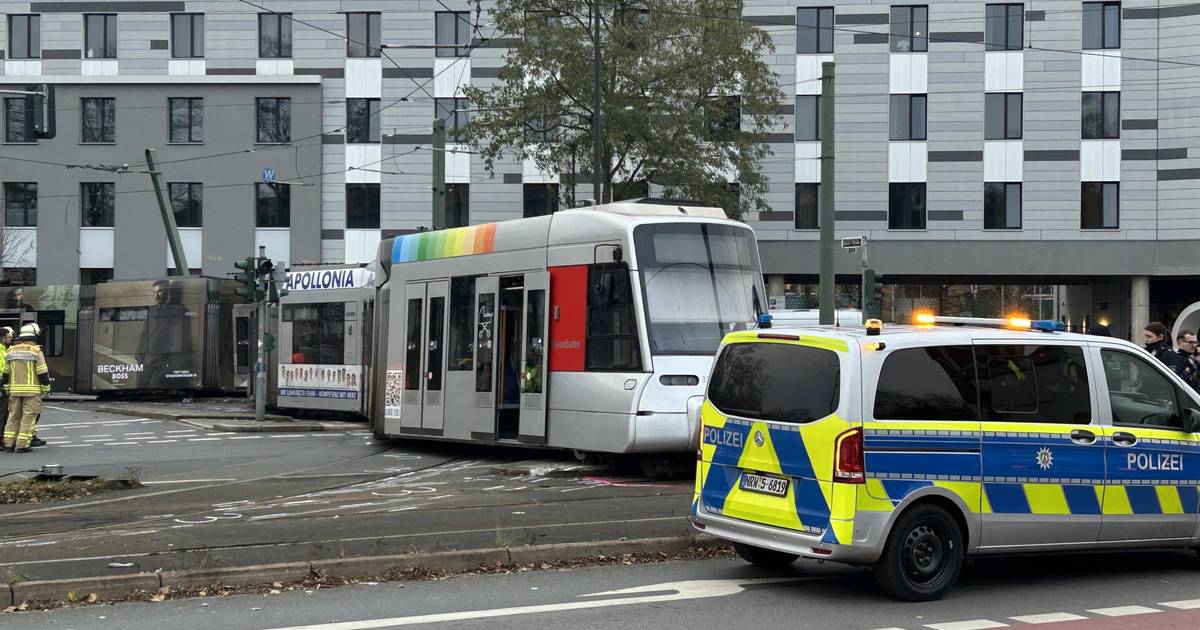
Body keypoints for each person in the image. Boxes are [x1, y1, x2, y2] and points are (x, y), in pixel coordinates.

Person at [2, 324, 49, 453]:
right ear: (35, 337)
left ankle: (9, 444)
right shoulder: (36, 351)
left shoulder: (10, 351)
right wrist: (46, 389)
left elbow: (5, 374)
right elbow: (43, 374)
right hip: (32, 392)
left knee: (13, 417)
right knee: (28, 417)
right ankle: (22, 445)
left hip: (14, 391)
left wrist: (7, 388)